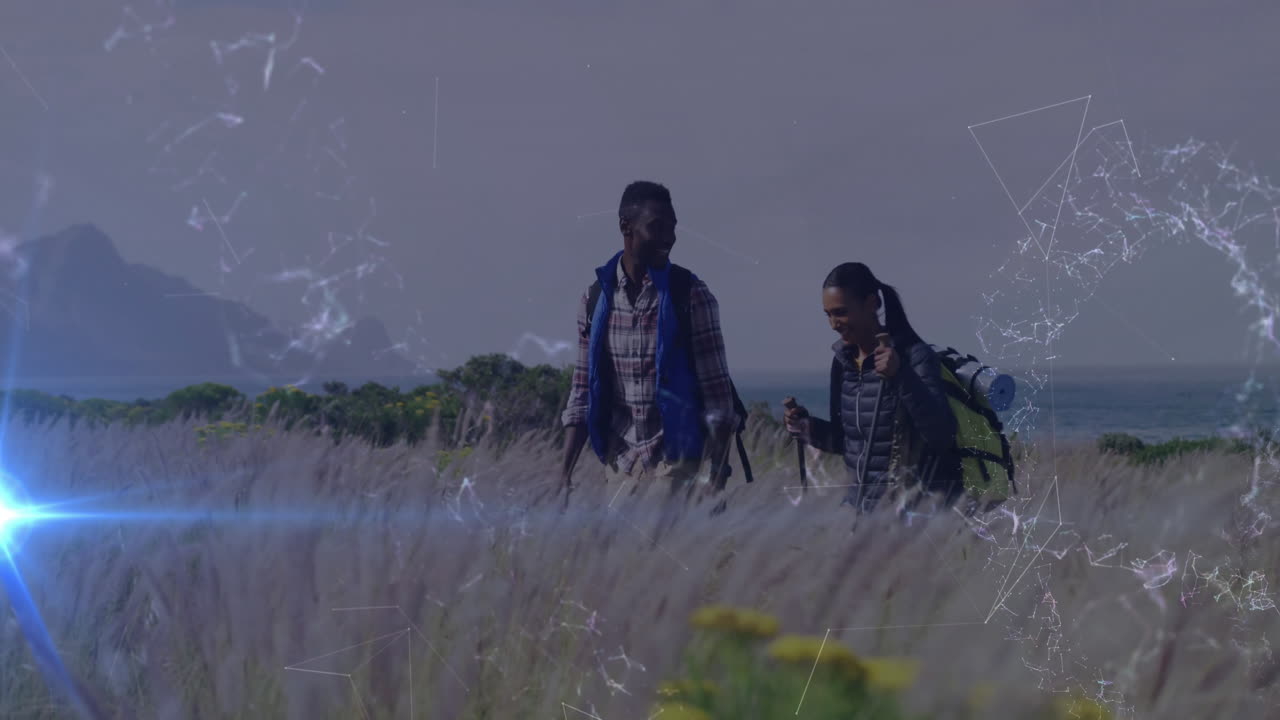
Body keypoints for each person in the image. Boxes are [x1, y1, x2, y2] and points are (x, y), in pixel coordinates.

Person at [559, 181, 737, 504]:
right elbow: (582, 391)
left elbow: (718, 399)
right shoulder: (595, 300)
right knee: (623, 556)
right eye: (657, 227)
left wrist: (717, 478)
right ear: (626, 227)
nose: (669, 238)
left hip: (678, 461)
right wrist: (563, 474)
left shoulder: (692, 296)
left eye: (672, 228)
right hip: (621, 464)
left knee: (658, 549)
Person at [782, 262, 961, 518]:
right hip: (861, 511)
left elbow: (942, 435)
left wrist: (901, 376)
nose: (833, 323)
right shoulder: (842, 363)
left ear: (872, 304)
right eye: (828, 314)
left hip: (913, 514)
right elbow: (847, 441)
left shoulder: (915, 357)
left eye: (841, 312)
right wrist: (807, 427)